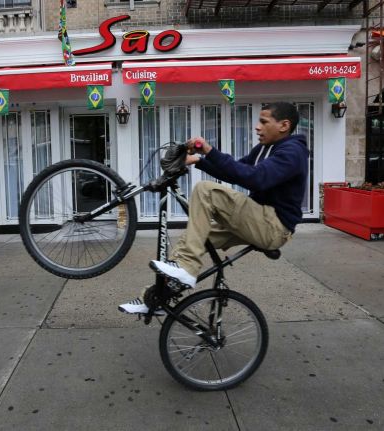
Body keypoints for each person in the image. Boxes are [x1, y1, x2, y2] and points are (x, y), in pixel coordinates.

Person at [120, 102, 309, 314]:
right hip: (258, 219)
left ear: (284, 125)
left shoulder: (293, 152)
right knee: (190, 242)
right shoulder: (264, 149)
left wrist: (210, 150)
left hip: (273, 225)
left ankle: (187, 269)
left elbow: (256, 179)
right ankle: (155, 299)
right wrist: (198, 160)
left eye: (264, 122)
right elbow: (234, 172)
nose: (257, 127)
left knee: (205, 190)